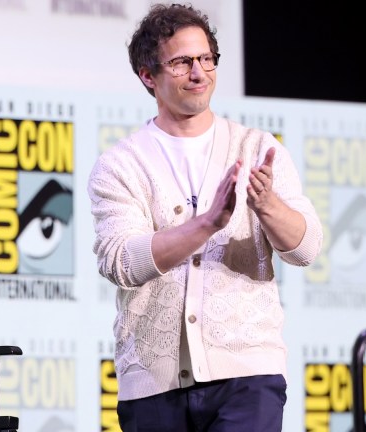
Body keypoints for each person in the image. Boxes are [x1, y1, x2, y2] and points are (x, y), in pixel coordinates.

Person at [87, 3, 323, 431]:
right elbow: (119, 260)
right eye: (181, 62)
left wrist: (267, 204)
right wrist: (207, 223)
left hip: (248, 376)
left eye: (206, 59)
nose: (199, 73)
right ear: (148, 75)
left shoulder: (255, 147)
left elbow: (306, 248)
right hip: (154, 387)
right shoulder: (120, 164)